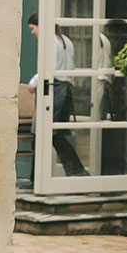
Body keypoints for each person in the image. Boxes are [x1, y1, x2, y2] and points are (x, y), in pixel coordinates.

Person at [26, 10, 88, 180]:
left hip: (55, 87)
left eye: (33, 28)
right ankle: (77, 172)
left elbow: (49, 68)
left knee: (41, 132)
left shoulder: (51, 41)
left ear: (41, 25)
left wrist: (33, 82)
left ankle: (36, 179)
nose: (33, 32)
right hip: (66, 87)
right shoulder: (65, 40)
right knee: (56, 134)